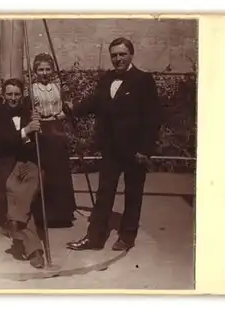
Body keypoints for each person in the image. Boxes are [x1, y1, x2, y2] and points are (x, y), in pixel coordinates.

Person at [65, 37, 161, 251]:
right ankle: (94, 239)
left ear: (131, 55)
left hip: (135, 151)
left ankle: (127, 237)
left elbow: (152, 117)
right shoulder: (106, 78)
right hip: (111, 149)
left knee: (133, 194)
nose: (118, 59)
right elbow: (95, 102)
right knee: (104, 194)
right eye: (114, 55)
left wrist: (145, 150)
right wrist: (72, 109)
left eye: (122, 54)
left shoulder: (143, 80)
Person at [0, 78, 45, 269]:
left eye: (17, 94)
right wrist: (25, 131)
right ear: (4, 95)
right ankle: (34, 249)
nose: (13, 98)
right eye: (9, 94)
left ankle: (15, 226)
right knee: (17, 192)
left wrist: (36, 128)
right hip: (5, 164)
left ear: (22, 95)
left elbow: (38, 142)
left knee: (23, 189)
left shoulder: (30, 112)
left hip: (26, 162)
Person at [29, 53, 77, 228]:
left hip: (56, 128)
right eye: (40, 69)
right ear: (35, 71)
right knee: (43, 170)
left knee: (59, 170)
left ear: (52, 70)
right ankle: (42, 214)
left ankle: (61, 214)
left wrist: (59, 116)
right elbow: (28, 109)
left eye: (47, 69)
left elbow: (68, 107)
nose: (44, 73)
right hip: (40, 129)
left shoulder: (58, 86)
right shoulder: (31, 88)